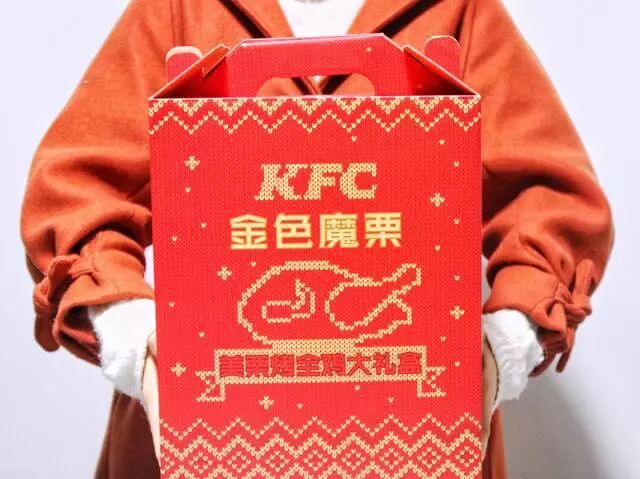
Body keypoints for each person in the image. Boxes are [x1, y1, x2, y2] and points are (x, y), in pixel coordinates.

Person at [19, 0, 614, 478]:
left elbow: (550, 198)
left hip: (412, 428)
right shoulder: (178, 9)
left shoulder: (460, 11)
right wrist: (134, 335)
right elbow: (75, 188)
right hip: (206, 422)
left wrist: (505, 341)